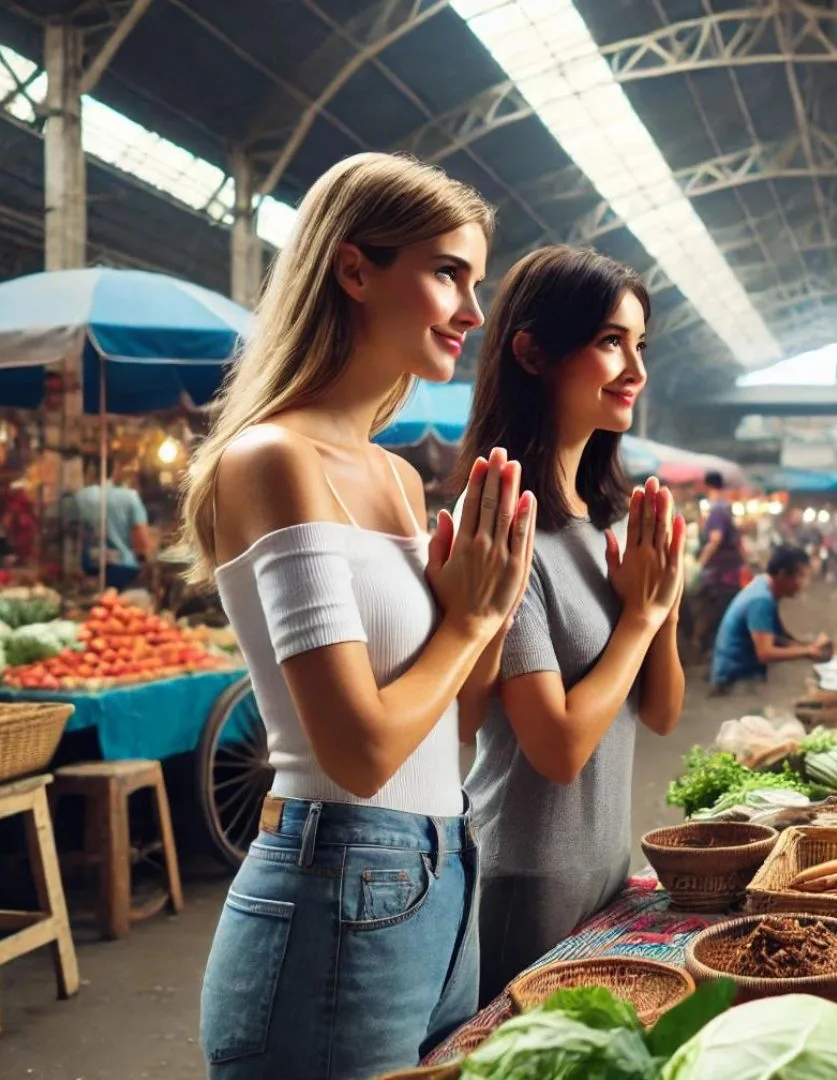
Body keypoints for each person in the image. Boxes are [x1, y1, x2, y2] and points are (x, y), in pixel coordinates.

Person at [181, 154, 534, 1079]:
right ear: (353, 270)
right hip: (338, 873)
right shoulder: (269, 459)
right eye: (448, 274)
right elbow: (359, 753)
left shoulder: (396, 475)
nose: (472, 310)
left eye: (476, 281)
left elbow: (451, 724)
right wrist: (463, 624)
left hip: (443, 863)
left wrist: (489, 611)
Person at [458, 245, 686, 1000]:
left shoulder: (608, 522)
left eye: (640, 344)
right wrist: (638, 619)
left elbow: (659, 711)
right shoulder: (498, 524)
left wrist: (663, 605)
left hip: (603, 867)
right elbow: (554, 747)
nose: (636, 370)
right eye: (609, 342)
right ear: (531, 351)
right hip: (525, 875)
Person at [710, 544, 831, 694]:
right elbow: (765, 653)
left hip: (741, 673)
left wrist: (808, 646)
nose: (804, 584)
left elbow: (777, 636)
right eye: (801, 576)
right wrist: (808, 651)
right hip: (734, 680)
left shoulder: (763, 583)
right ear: (782, 574)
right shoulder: (761, 600)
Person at [67, 457, 155, 590]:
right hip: (123, 571)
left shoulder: (80, 498)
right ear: (114, 470)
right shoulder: (130, 497)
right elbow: (141, 542)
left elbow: (72, 532)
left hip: (90, 567)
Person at [691, 469, 744, 659]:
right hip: (727, 573)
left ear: (706, 486)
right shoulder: (723, 507)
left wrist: (699, 564)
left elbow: (715, 539)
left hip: (720, 575)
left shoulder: (718, 510)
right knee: (718, 612)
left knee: (715, 613)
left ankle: (715, 654)